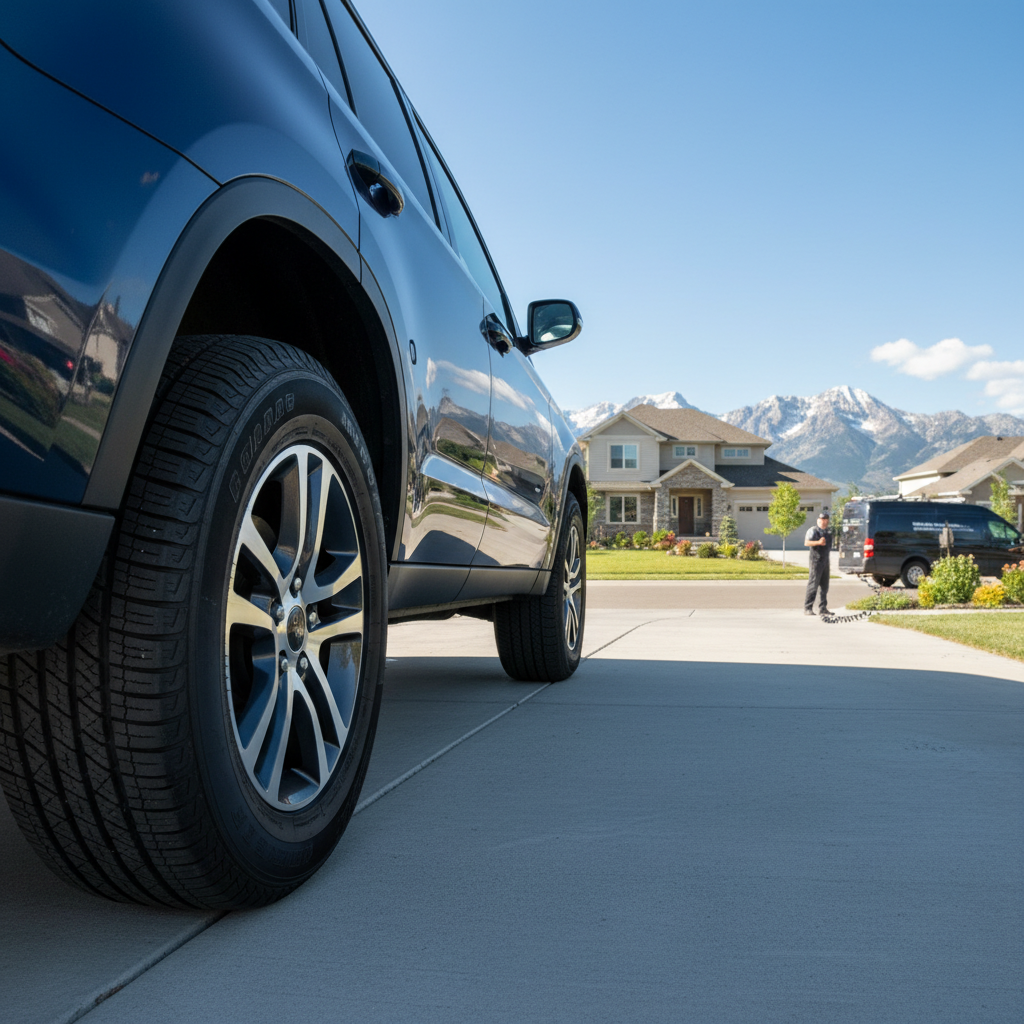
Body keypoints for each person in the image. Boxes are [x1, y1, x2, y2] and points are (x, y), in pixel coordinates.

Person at [803, 510, 832, 616]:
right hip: (815, 560)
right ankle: (808, 608)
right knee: (813, 584)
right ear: (818, 520)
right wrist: (818, 542)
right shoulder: (813, 530)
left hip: (825, 560)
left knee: (825, 586)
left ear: (827, 521)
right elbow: (806, 542)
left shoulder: (829, 532)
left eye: (825, 520)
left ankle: (823, 608)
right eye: (821, 519)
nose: (823, 522)